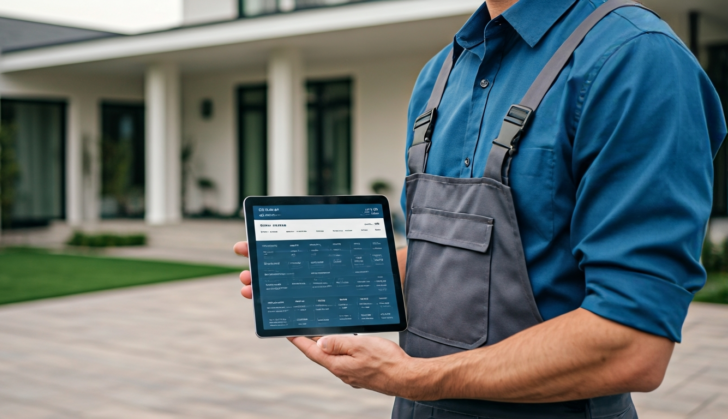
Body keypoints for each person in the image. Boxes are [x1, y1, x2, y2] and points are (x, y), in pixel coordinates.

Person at [234, 0, 727, 417]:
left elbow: (632, 344)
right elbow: (448, 256)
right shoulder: (440, 74)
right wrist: (333, 275)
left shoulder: (636, 58)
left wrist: (413, 377)